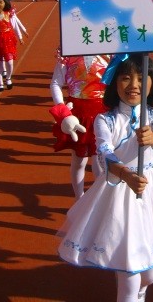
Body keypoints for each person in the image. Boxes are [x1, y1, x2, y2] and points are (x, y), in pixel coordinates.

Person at [57, 54, 153, 302]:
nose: (134, 85)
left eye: (142, 78)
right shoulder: (104, 119)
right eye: (126, 78)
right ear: (114, 82)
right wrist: (126, 175)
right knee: (130, 270)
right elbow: (105, 153)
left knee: (149, 275)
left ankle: (141, 291)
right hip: (119, 192)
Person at [50, 52, 110, 197]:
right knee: (79, 160)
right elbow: (56, 83)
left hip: (102, 111)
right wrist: (62, 108)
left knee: (100, 157)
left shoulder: (109, 51)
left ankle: (98, 198)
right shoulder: (68, 52)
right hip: (78, 113)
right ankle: (79, 197)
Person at [0, 0, 24, 91]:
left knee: (10, 62)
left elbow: (15, 25)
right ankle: (0, 83)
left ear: (5, 3)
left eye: (0, 2)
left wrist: (20, 37)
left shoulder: (9, 13)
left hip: (8, 39)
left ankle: (8, 78)